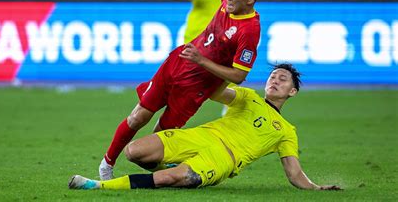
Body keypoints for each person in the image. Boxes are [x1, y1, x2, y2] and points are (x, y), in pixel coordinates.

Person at [98, 0, 262, 180]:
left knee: (159, 141)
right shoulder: (227, 2)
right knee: (138, 116)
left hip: (196, 87)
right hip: (176, 65)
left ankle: (177, 169)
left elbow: (239, 75)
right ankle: (106, 164)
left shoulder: (249, 30)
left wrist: (202, 61)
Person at [69, 64, 342, 191]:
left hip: (223, 158)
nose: (275, 80)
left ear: (292, 92)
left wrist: (316, 188)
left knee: (170, 179)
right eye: (272, 76)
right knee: (134, 152)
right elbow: (219, 93)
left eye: (282, 79)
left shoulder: (286, 131)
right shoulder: (249, 98)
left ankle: (97, 187)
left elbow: (294, 172)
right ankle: (175, 168)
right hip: (202, 136)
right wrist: (210, 67)